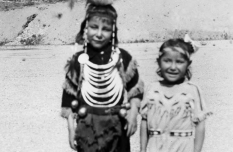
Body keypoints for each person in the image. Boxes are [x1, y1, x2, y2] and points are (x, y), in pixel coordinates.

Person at [61, 0, 144, 152]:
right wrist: (71, 129)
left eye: (105, 29)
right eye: (94, 27)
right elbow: (68, 97)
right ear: (85, 28)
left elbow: (136, 90)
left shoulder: (122, 58)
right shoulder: (78, 61)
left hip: (118, 128)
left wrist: (132, 115)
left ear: (113, 31)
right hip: (86, 128)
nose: (99, 34)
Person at [140, 35, 212, 152]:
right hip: (155, 147)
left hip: (183, 147)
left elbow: (200, 125)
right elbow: (144, 121)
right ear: (159, 62)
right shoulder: (152, 89)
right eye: (167, 61)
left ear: (188, 64)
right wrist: (142, 149)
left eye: (179, 62)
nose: (173, 67)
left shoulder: (192, 90)